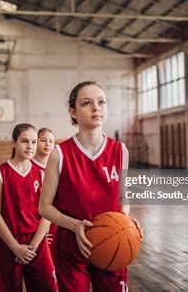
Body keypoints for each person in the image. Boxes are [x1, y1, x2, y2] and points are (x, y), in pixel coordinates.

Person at [39, 81, 143, 292]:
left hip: (113, 241)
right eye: (87, 103)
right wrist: (75, 225)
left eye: (101, 102)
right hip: (72, 246)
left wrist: (126, 221)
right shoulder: (60, 154)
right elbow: (44, 207)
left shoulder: (120, 150)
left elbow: (123, 197)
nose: (96, 107)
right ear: (73, 112)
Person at [0, 123, 57, 292]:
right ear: (14, 143)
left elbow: (47, 213)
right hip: (8, 241)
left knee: (47, 286)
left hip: (37, 242)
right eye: (24, 141)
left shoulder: (41, 174)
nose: (30, 146)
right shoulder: (0, 172)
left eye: (34, 142)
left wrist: (33, 247)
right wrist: (15, 247)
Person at [32, 128, 56, 248]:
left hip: (55, 226)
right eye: (43, 140)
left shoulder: (57, 168)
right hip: (35, 228)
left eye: (51, 141)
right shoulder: (29, 168)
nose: (47, 144)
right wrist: (39, 234)